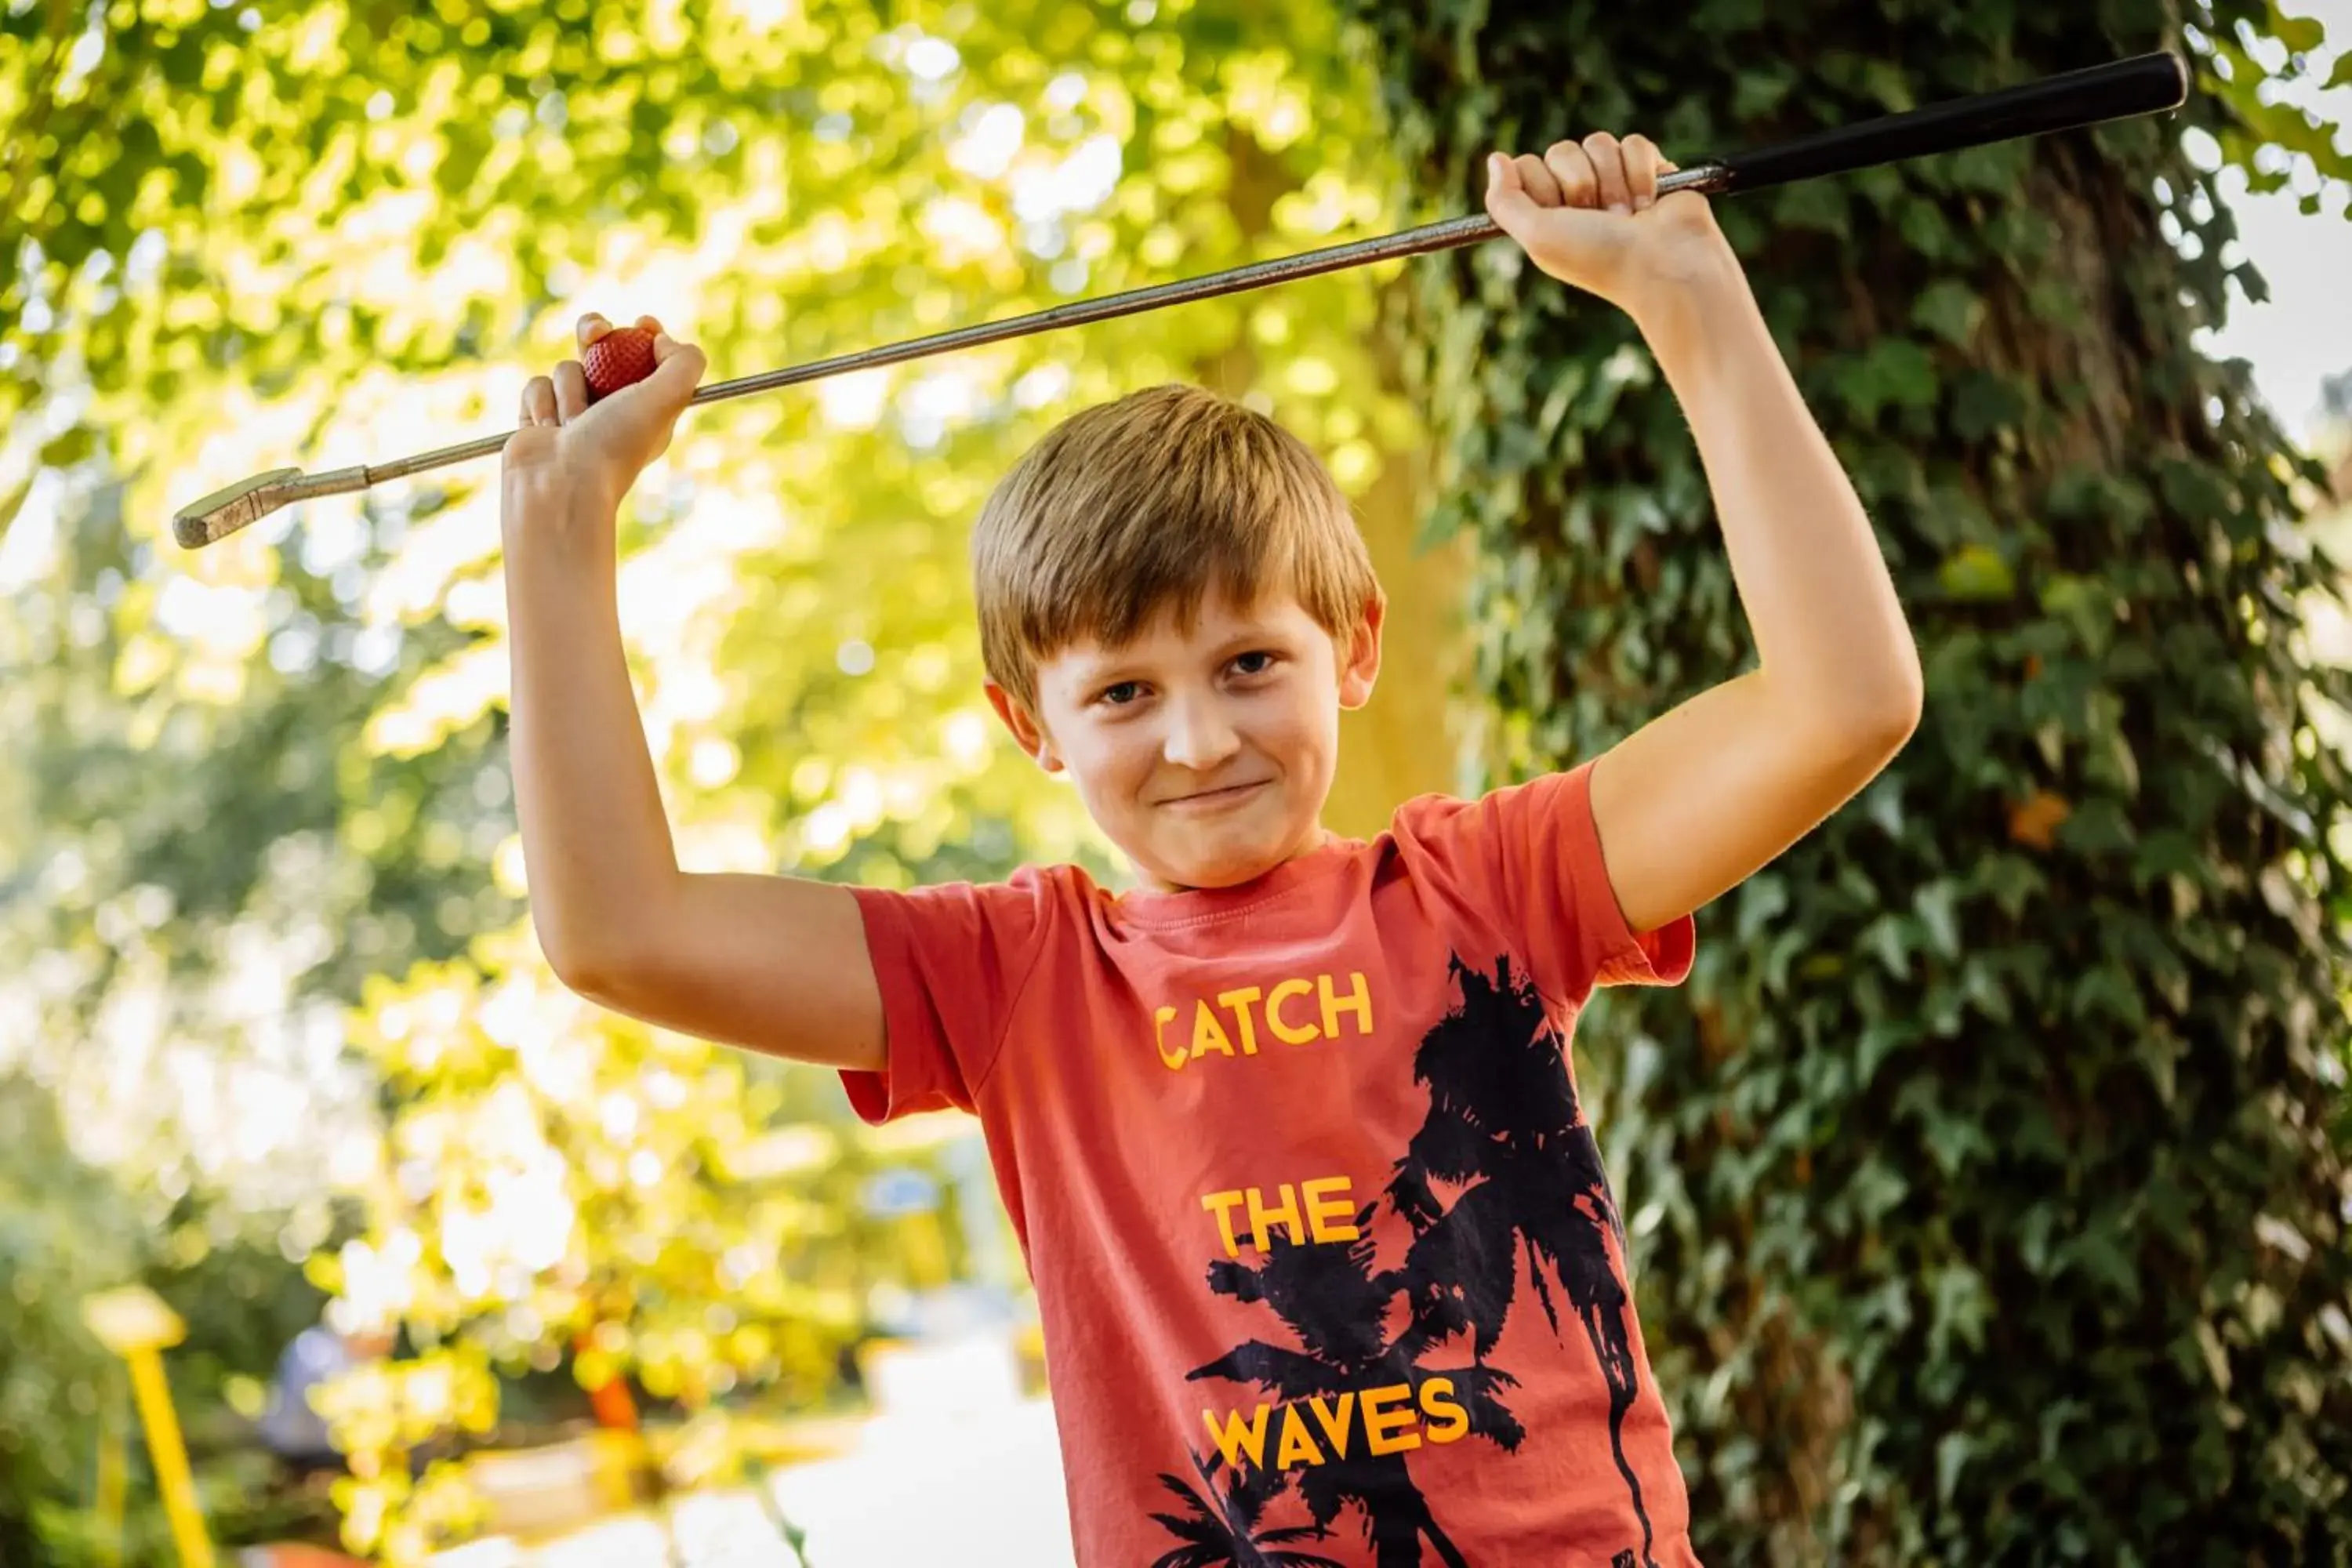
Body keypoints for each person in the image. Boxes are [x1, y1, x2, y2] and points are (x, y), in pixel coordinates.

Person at [498, 130, 1922, 1566]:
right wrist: (560, 534)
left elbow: (1841, 700)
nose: (1196, 743)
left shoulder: (1484, 889)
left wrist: (1688, 298)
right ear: (1029, 724)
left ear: (1352, 647)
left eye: (1249, 663)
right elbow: (620, 930)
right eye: (1123, 692)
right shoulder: (1012, 978)